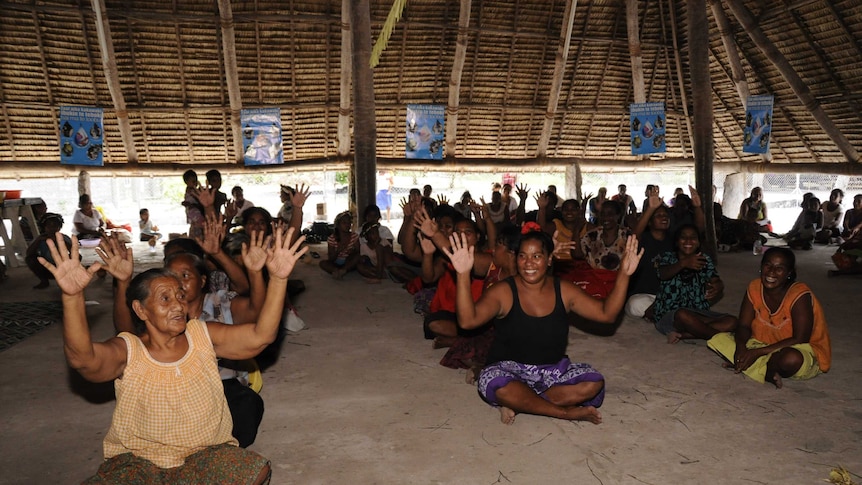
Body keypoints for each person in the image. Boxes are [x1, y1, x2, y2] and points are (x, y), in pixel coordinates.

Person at [37, 226, 306, 483]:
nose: (178, 304)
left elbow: (262, 336)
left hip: (203, 455)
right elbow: (84, 361)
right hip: (140, 462)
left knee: (253, 469)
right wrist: (72, 298)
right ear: (141, 310)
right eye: (165, 299)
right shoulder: (129, 349)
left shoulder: (202, 334)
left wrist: (279, 279)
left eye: (179, 296)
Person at [445, 228, 643, 424]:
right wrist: (463, 274)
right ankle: (561, 412)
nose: (528, 263)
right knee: (496, 383)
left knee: (593, 382)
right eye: (523, 256)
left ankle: (522, 402)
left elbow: (606, 314)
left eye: (537, 256)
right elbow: (467, 321)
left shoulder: (564, 290)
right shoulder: (503, 291)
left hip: (551, 373)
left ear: (549, 260)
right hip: (508, 371)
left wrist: (624, 274)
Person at [708, 247, 831, 388]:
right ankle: (758, 367)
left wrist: (757, 353)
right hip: (760, 343)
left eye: (779, 268)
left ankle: (762, 369)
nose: (771, 272)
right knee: (719, 339)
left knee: (791, 359)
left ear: (789, 273)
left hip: (797, 348)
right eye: (768, 265)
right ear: (761, 267)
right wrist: (741, 349)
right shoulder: (754, 287)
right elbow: (743, 325)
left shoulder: (799, 295)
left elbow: (800, 338)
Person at [653, 224, 731, 343]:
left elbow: (716, 281)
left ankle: (685, 335)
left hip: (697, 312)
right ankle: (721, 340)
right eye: (683, 237)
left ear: (699, 243)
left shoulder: (704, 259)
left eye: (693, 237)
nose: (688, 240)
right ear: (677, 242)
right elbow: (662, 274)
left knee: (732, 321)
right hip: (670, 315)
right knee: (683, 314)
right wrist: (683, 263)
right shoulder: (667, 257)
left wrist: (719, 286)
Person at [25, 213, 72, 289]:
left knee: (76, 257)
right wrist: (38, 241)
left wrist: (60, 241)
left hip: (62, 267)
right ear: (44, 227)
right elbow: (28, 254)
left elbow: (74, 252)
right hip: (46, 267)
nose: (52, 228)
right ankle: (44, 281)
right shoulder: (40, 239)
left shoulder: (64, 237)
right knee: (30, 259)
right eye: (49, 226)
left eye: (55, 226)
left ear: (59, 227)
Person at [320, 210, 360, 279]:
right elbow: (331, 258)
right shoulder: (332, 238)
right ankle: (337, 271)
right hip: (336, 262)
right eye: (344, 223)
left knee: (358, 257)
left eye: (349, 223)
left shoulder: (354, 236)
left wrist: (352, 252)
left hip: (348, 261)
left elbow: (358, 251)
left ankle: (343, 270)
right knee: (323, 263)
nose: (347, 225)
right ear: (338, 225)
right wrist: (338, 251)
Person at [182, 169, 205, 239]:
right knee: (199, 222)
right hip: (193, 210)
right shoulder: (191, 190)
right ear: (186, 182)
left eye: (196, 180)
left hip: (193, 210)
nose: (195, 183)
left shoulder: (192, 189)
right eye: (193, 181)